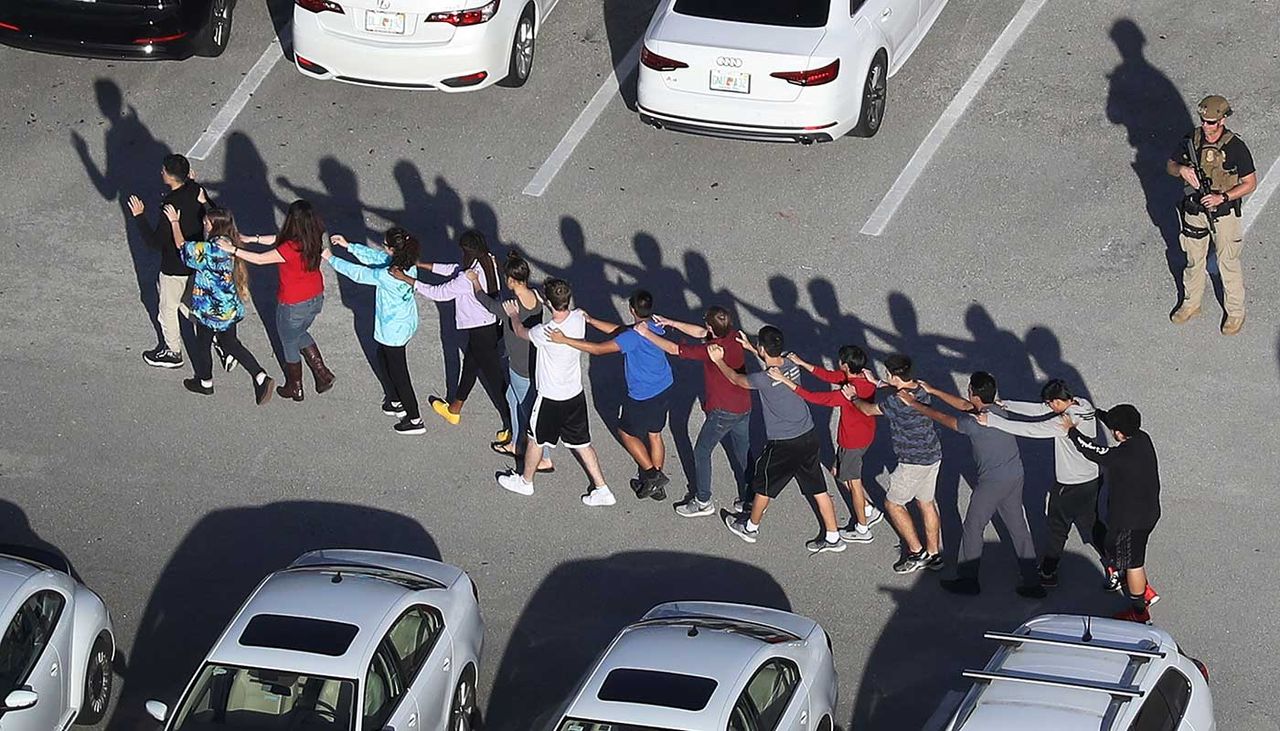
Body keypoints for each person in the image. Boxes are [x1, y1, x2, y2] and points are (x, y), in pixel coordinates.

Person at [900, 374, 1044, 597]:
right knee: (1018, 526)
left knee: (973, 527)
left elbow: (944, 418)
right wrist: (933, 390)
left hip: (992, 483)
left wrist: (914, 404)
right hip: (1015, 475)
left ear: (973, 392)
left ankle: (968, 579)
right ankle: (1032, 580)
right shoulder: (996, 411)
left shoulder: (973, 423)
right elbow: (966, 405)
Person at [715, 327, 846, 554]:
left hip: (784, 443)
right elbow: (772, 364)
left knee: (764, 485)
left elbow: (736, 378)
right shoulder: (790, 363)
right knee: (818, 487)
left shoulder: (762, 379)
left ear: (763, 348)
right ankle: (834, 537)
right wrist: (751, 348)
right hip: (808, 434)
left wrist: (718, 361)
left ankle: (750, 527)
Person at [977, 379, 1106, 587]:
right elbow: (1039, 409)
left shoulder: (1065, 421)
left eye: (1050, 403)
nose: (1048, 407)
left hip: (1069, 486)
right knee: (1093, 524)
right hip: (1092, 480)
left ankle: (1048, 572)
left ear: (1057, 402)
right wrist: (1007, 404)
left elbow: (1032, 429)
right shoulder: (1082, 404)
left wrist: (992, 421)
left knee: (1057, 529)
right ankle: (1117, 565)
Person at [496, 279, 614, 507]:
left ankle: (526, 482)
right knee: (582, 443)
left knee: (535, 439)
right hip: (574, 394)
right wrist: (548, 301)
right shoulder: (579, 316)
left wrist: (513, 315)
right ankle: (602, 488)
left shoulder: (545, 331)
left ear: (549, 302)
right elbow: (565, 311)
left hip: (550, 398)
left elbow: (521, 332)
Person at [548, 290, 674, 500]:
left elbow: (598, 349)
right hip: (664, 386)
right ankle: (656, 486)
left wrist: (565, 340)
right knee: (655, 434)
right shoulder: (652, 326)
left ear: (631, 310)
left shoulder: (632, 337)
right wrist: (591, 320)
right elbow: (618, 330)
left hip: (643, 395)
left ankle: (653, 476)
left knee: (626, 432)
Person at [634, 306, 752, 517]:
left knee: (702, 452)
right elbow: (701, 333)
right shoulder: (732, 336)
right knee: (743, 452)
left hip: (723, 411)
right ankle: (750, 498)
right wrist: (671, 322)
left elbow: (673, 349)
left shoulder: (711, 350)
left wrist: (646, 333)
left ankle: (703, 501)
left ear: (711, 326)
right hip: (743, 405)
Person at [159, 205, 273, 404]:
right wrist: (204, 201)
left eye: (206, 222)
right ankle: (260, 375)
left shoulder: (211, 250)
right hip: (229, 306)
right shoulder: (228, 241)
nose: (203, 225)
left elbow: (182, 247)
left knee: (202, 345)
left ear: (214, 225)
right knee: (231, 344)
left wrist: (174, 222)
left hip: (210, 310)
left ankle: (205, 382)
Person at [405, 231, 511, 443]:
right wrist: (423, 265)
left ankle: (512, 425)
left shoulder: (467, 277)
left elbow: (440, 293)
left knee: (496, 380)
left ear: (467, 251)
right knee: (470, 367)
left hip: (481, 331)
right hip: (488, 325)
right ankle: (454, 408)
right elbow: (454, 270)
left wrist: (410, 280)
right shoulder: (486, 259)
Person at [226, 200, 335, 401]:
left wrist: (233, 249)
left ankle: (295, 386)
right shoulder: (313, 236)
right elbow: (279, 239)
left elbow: (260, 259)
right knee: (298, 333)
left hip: (293, 302)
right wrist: (252, 239)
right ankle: (322, 373)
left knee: (288, 341)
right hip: (315, 296)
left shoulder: (289, 248)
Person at [1167, 94, 1258, 335]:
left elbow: (1250, 183)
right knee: (1194, 259)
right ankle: (1191, 303)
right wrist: (1182, 170)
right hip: (1195, 209)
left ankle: (1236, 312)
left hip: (1223, 213)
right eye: (1204, 121)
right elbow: (1170, 165)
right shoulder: (1192, 140)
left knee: (1228, 262)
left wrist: (1223, 197)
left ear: (1222, 121)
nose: (1207, 127)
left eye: (1212, 122)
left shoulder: (1235, 147)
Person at [1063, 404, 1161, 622]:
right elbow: (1116, 423)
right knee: (1132, 552)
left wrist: (1071, 430)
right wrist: (1097, 413)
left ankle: (1138, 611)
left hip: (1130, 520)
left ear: (1118, 432)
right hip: (1149, 512)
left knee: (1133, 562)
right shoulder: (1143, 439)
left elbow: (1091, 450)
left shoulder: (1120, 456)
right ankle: (1142, 589)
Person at [324, 228, 425, 435]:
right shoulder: (407, 263)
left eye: (385, 245)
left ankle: (415, 419)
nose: (382, 248)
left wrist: (330, 258)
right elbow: (377, 257)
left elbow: (360, 274)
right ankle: (395, 400)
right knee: (381, 357)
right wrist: (349, 246)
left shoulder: (388, 275)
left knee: (400, 375)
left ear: (391, 249)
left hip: (392, 331)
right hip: (404, 323)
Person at [784, 346, 884, 542]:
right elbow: (830, 376)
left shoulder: (847, 393)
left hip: (852, 441)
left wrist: (785, 381)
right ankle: (868, 509)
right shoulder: (865, 378)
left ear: (845, 366)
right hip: (864, 435)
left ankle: (863, 528)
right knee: (838, 472)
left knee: (853, 484)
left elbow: (815, 397)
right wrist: (802, 363)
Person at [855, 355, 943, 573]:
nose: (885, 376)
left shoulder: (896, 402)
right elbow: (899, 388)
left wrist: (853, 397)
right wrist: (877, 382)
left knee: (893, 504)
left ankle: (916, 552)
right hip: (932, 455)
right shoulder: (920, 387)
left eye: (887, 374)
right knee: (926, 503)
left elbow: (868, 410)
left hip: (912, 462)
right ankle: (933, 554)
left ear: (895, 376)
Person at [468, 252, 554, 473]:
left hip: (520, 366)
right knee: (511, 397)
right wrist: (497, 268)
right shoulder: (535, 295)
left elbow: (484, 300)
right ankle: (516, 443)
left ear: (511, 280)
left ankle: (544, 457)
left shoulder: (510, 307)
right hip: (534, 361)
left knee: (529, 411)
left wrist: (475, 281)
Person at [126, 153, 202, 369]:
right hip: (194, 261)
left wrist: (139, 216)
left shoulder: (170, 205)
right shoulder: (196, 190)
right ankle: (215, 335)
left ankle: (172, 351)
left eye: (164, 171)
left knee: (168, 308)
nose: (161, 173)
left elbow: (154, 242)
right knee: (188, 302)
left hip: (174, 266)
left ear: (170, 176)